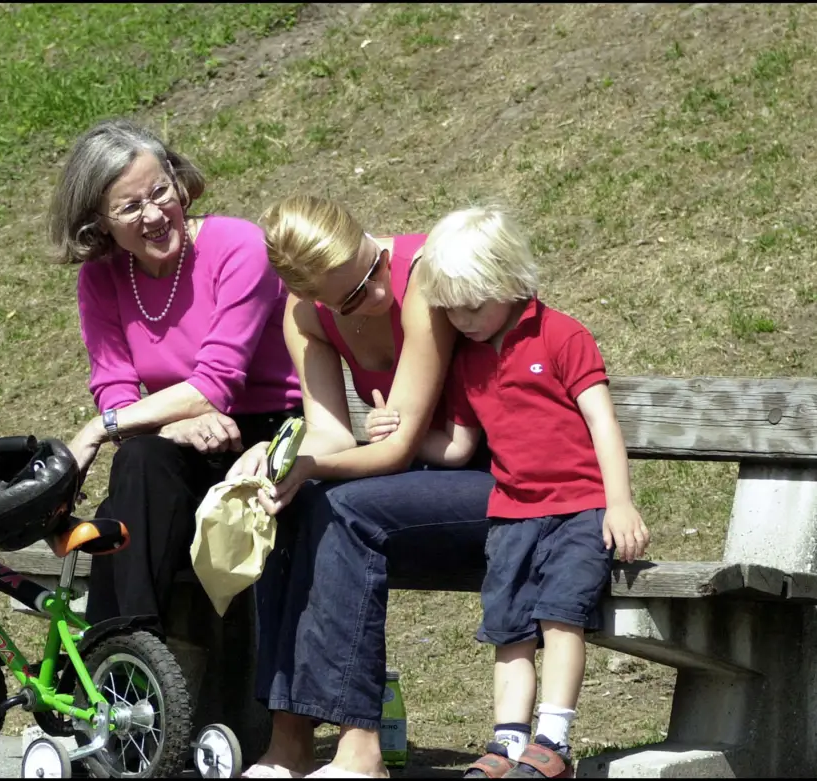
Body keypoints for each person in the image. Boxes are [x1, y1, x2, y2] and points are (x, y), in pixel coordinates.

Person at [226, 195, 495, 779]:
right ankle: (289, 744)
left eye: (372, 268)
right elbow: (332, 435)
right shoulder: (304, 318)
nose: (377, 294)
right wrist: (279, 459)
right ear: (312, 298)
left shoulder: (421, 275)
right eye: (351, 296)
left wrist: (312, 467)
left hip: (494, 482)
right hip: (411, 486)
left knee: (344, 509)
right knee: (285, 506)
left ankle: (360, 749)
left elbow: (398, 447)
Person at [405, 206, 651, 779]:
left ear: (510, 282)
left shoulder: (561, 335)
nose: (462, 321)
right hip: (512, 516)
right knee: (509, 629)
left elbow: (602, 424)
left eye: (473, 306)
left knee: (560, 619)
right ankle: (507, 743)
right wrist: (408, 434)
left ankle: (553, 740)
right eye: (451, 309)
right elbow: (460, 447)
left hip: (578, 512)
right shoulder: (468, 359)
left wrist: (619, 502)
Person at [48, 117, 302, 626]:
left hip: (269, 438)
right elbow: (114, 386)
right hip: (182, 437)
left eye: (160, 192)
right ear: (99, 224)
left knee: (132, 481)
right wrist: (170, 425)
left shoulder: (238, 246)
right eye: (129, 207)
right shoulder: (101, 278)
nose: (154, 214)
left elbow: (215, 385)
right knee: (141, 464)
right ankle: (132, 658)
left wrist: (100, 429)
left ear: (175, 177)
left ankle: (121, 670)